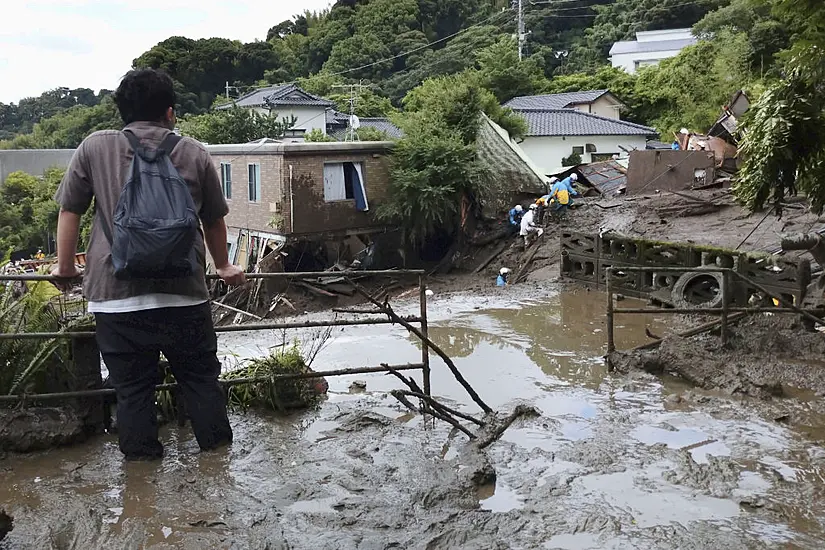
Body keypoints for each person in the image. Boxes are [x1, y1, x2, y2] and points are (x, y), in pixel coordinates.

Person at [51, 68, 246, 461]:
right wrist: (223, 265)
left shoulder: (94, 147)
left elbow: (70, 209)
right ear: (170, 113)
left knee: (133, 391)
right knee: (201, 383)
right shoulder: (193, 151)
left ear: (121, 110)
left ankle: (141, 490)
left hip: (115, 297)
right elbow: (213, 218)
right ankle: (217, 469)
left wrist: (65, 267)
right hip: (185, 294)